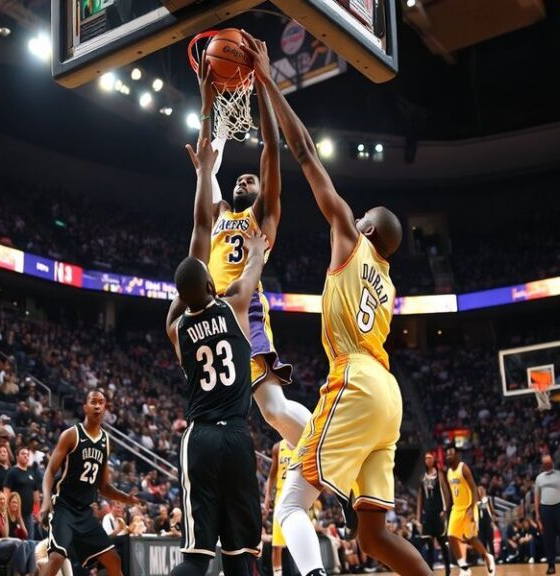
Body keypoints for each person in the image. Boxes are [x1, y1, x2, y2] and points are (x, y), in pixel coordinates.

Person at [239, 31, 426, 576]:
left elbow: (304, 152)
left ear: (365, 225)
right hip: (388, 398)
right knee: (373, 536)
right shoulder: (387, 283)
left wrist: (269, 80)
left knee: (292, 504)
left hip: (356, 380)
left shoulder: (350, 235)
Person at [193, 46, 310, 449]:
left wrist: (261, 82)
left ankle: (322, 447)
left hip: (246, 310)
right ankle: (312, 454)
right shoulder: (219, 211)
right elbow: (205, 164)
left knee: (273, 408)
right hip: (213, 313)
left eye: (250, 180)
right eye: (239, 179)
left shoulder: (262, 217)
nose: (244, 182)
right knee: (249, 411)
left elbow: (271, 153)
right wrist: (207, 102)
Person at [164, 130, 266, 575]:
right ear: (211, 285)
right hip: (237, 437)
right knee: (241, 557)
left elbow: (200, 231)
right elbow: (247, 256)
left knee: (196, 558)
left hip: (200, 437)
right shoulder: (237, 305)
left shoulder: (175, 328)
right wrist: (258, 251)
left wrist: (206, 172)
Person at [40, 389, 142, 576]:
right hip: (64, 508)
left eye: (101, 402)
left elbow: (103, 487)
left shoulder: (105, 441)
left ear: (105, 408)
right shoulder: (71, 435)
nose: (97, 405)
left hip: (85, 513)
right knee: (56, 558)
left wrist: (127, 498)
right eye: (93, 402)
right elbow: (49, 471)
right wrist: (46, 500)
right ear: (85, 407)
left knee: (113, 559)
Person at [445, 447, 495, 576]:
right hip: (456, 508)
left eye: (451, 454)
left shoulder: (463, 468)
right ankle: (464, 567)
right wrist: (446, 509)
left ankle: (487, 557)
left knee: (470, 538)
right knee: (451, 536)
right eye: (447, 454)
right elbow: (451, 493)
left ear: (457, 455)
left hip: (468, 507)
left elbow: (473, 488)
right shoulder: (448, 472)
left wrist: (473, 508)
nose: (448, 456)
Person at [535, 454, 560, 574]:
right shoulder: (539, 478)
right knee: (548, 538)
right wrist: (537, 514)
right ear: (543, 465)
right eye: (545, 463)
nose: (548, 464)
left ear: (552, 462)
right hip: (545, 508)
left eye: (549, 462)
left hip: (559, 507)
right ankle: (551, 565)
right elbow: (537, 497)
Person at [417, 451, 452, 576]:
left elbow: (447, 493)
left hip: (438, 513)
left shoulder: (440, 475)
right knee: (429, 543)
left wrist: (445, 510)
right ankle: (430, 571)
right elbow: (420, 499)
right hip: (428, 514)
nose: (427, 460)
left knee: (442, 543)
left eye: (429, 458)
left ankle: (448, 569)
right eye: (425, 458)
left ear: (434, 460)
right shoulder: (422, 477)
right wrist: (418, 518)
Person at [264, 440, 295, 576]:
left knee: (297, 543)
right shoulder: (278, 447)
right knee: (277, 545)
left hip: (297, 497)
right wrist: (267, 496)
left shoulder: (303, 443)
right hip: (281, 499)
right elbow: (271, 475)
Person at [3, 447, 39, 538]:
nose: (26, 456)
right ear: (17, 457)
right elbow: (6, 492)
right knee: (18, 542)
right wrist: (6, 510)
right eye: (23, 454)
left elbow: (35, 494)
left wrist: (37, 511)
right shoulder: (12, 472)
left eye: (27, 454)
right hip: (16, 514)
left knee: (30, 541)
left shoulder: (31, 473)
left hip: (29, 514)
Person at [477, 486, 496, 558]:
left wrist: (493, 521)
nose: (480, 491)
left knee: (490, 539)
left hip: (488, 521)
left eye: (482, 490)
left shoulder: (488, 499)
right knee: (482, 540)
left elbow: (492, 511)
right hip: (480, 522)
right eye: (479, 490)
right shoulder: (476, 501)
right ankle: (483, 557)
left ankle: (493, 556)